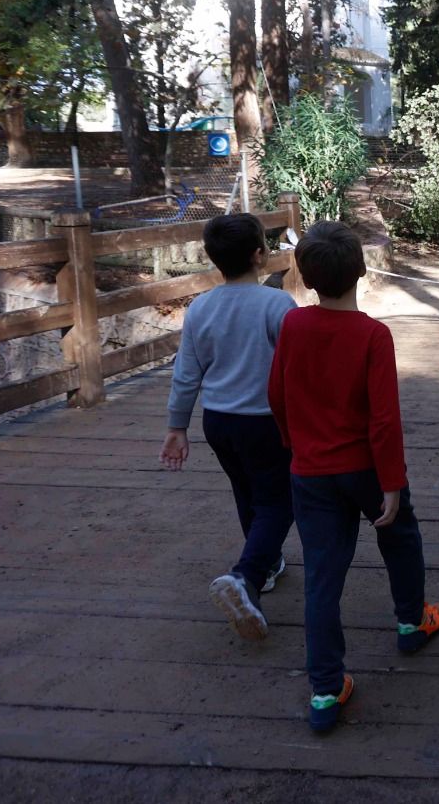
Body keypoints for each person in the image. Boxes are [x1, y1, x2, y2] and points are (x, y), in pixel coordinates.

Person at [268, 220, 439, 733]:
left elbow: (276, 395)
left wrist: (292, 444)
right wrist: (391, 480)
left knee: (323, 577)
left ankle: (326, 690)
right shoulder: (373, 335)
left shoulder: (294, 326)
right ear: (361, 272)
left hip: (311, 471)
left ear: (304, 274)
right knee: (399, 534)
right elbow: (383, 418)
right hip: (367, 469)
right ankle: (412, 622)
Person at [162, 213, 298, 641]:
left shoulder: (201, 307)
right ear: (260, 255)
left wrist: (177, 427)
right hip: (266, 421)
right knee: (280, 500)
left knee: (247, 491)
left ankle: (268, 564)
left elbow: (187, 373)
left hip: (218, 421)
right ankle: (247, 576)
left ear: (212, 258)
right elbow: (295, 370)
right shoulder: (277, 305)